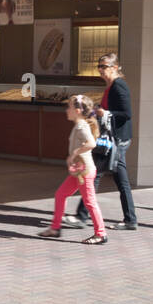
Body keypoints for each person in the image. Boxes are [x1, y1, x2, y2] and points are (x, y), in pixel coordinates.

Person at [68, 53, 138, 229]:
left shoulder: (119, 86)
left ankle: (82, 216)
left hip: (118, 140)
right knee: (115, 179)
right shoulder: (111, 86)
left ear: (115, 67)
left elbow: (126, 114)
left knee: (94, 174)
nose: (100, 70)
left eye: (104, 66)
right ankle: (130, 219)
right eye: (99, 66)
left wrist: (105, 113)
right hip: (115, 139)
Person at [39, 94, 108, 245]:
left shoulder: (82, 126)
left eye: (69, 107)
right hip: (79, 172)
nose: (66, 110)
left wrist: (74, 154)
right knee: (60, 195)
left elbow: (91, 143)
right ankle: (55, 228)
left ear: (77, 110)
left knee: (90, 202)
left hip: (85, 172)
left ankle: (100, 234)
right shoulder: (79, 125)